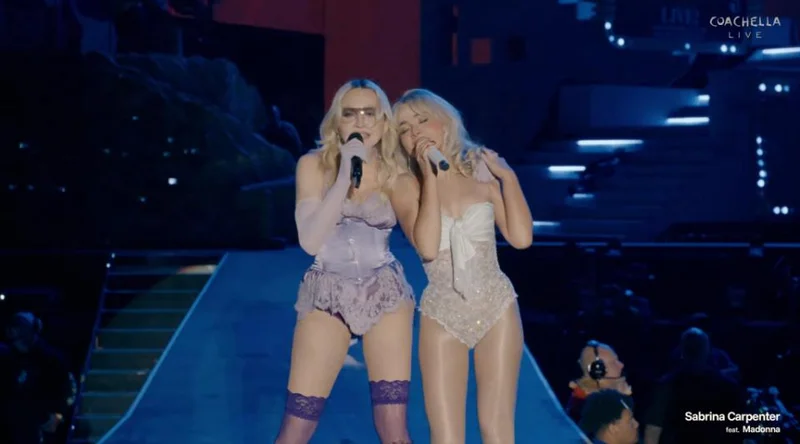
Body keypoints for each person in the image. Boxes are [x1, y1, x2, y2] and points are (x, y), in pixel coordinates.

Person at [275, 79, 415, 444]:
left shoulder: (396, 172)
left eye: (370, 113)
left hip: (385, 292)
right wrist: (342, 176)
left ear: (383, 122)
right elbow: (310, 241)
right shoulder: (312, 165)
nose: (361, 122)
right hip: (327, 292)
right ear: (337, 122)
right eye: (351, 113)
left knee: (392, 426)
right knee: (297, 426)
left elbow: (424, 237)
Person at [391, 88, 533, 444]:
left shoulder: (479, 170)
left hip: (496, 305)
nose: (415, 132)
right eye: (405, 129)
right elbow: (427, 247)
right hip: (442, 312)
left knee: (497, 428)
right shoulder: (404, 186)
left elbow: (521, 238)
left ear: (446, 122)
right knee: (446, 437)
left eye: (422, 120)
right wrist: (431, 180)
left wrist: (508, 179)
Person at [643, 327, 744, 444]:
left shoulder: (666, 385)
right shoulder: (728, 387)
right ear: (707, 351)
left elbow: (653, 427)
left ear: (682, 351)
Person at [0, 312, 76, 444]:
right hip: (13, 426)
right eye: (13, 327)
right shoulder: (7, 358)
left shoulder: (51, 358)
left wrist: (59, 414)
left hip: (43, 425)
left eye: (20, 327)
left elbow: (68, 388)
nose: (15, 331)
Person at [566, 341, 633, 423]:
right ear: (598, 372)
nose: (621, 365)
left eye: (617, 360)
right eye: (613, 363)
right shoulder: (582, 409)